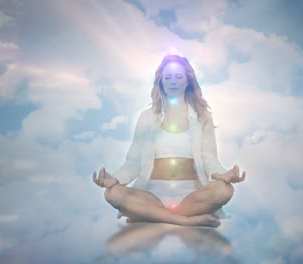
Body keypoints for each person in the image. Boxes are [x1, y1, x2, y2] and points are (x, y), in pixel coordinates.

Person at [92, 54, 246, 227]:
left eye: (179, 77)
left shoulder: (202, 117)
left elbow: (208, 156)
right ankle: (186, 220)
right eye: (168, 77)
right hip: (152, 195)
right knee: (112, 194)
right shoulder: (146, 117)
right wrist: (115, 179)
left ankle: (149, 216)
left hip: (190, 196)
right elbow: (134, 161)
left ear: (188, 81)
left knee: (225, 190)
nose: (173, 81)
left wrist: (223, 175)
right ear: (161, 82)